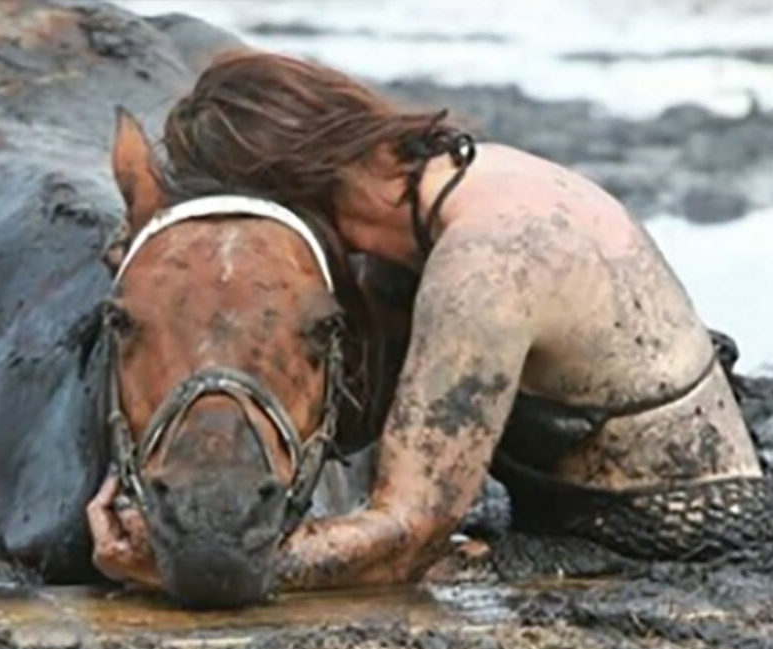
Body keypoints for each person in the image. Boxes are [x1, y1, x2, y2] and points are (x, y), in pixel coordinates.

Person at [90, 49, 771, 591]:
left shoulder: (487, 263)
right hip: (581, 510)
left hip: (664, 541)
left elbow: (407, 533)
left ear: (290, 185)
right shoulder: (442, 202)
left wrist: (195, 559)